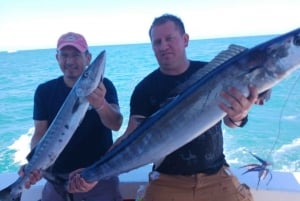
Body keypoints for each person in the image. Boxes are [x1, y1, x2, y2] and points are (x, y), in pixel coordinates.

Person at [67, 14, 265, 201]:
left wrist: (240, 114)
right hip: (166, 180)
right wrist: (93, 172)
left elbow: (231, 120)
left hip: (216, 175)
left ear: (185, 39)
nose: (164, 46)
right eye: (157, 42)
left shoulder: (212, 73)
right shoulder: (145, 89)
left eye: (169, 38)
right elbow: (130, 136)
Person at [19, 32, 123, 201]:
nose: (70, 61)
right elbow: (39, 133)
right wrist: (34, 165)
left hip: (99, 177)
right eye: (64, 55)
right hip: (57, 180)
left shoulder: (105, 86)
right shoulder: (44, 91)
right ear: (57, 58)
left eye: (76, 55)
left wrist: (100, 104)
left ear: (88, 58)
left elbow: (116, 124)